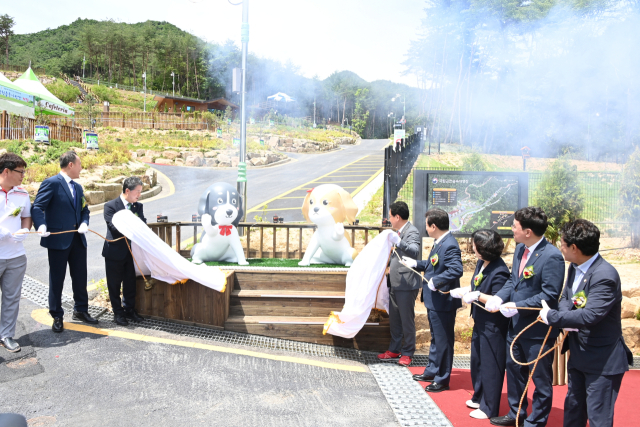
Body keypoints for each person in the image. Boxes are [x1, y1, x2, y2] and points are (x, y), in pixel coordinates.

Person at [540, 219, 633, 427]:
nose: (560, 248)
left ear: (574, 247)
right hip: (579, 354)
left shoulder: (604, 275)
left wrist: (554, 318)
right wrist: (565, 317)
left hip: (602, 361)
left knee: (598, 417)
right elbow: (566, 298)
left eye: (562, 244)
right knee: (573, 410)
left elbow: (591, 316)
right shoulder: (575, 266)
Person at [485, 207, 564, 427]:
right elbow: (513, 281)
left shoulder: (552, 256)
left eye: (514, 226)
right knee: (514, 371)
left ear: (528, 231)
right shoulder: (521, 249)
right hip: (516, 325)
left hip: (537, 329)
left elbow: (549, 295)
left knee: (539, 378)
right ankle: (516, 413)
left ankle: (536, 421)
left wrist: (518, 306)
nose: (511, 230)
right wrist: (499, 298)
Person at [32, 151, 97, 333]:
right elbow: (37, 206)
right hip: (58, 240)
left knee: (80, 277)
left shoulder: (78, 187)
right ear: (70, 165)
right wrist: (41, 225)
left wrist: (84, 222)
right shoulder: (51, 183)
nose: (81, 168)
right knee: (57, 279)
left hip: (77, 239)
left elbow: (85, 210)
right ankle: (57, 315)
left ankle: (81, 310)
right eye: (80, 164)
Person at [401, 207, 463, 393]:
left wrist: (437, 281)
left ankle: (442, 379)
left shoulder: (450, 244)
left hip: (443, 301)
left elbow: (456, 270)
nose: (426, 228)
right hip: (434, 300)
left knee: (443, 341)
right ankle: (433, 370)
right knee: (436, 338)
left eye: (427, 225)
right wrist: (417, 264)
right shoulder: (440, 242)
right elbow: (433, 264)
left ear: (434, 226)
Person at [450, 230, 510, 419]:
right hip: (480, 320)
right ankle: (479, 397)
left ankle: (489, 407)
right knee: (477, 361)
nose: (472, 246)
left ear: (483, 248)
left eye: (475, 244)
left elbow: (496, 300)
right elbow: (477, 286)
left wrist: (477, 296)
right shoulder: (481, 263)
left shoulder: (499, 269)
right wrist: (464, 290)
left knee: (491, 365)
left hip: (493, 324)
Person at [377, 201, 421, 366]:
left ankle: (408, 352)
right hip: (395, 282)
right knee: (395, 318)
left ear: (397, 216)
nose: (389, 219)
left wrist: (399, 242)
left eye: (390, 216)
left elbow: (414, 251)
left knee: (406, 319)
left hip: (406, 283)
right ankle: (395, 349)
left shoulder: (412, 231)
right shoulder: (398, 231)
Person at [102, 176, 147, 326]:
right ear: (127, 191)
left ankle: (129, 310)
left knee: (130, 283)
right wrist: (133, 227)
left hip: (131, 252)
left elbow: (143, 224)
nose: (139, 195)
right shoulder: (110, 206)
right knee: (114, 285)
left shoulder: (137, 206)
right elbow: (114, 228)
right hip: (114, 252)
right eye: (137, 192)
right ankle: (118, 313)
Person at [0, 154, 32, 353]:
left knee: (12, 297)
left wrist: (25, 230)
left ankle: (6, 335)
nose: (23, 176)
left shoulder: (22, 194)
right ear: (6, 171)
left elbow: (27, 216)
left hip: (16, 256)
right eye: (20, 172)